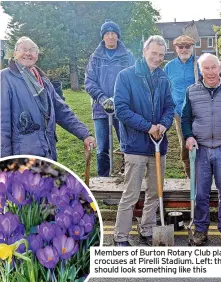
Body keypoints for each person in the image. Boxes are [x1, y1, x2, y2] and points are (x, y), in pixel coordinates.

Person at [113, 35, 175, 246]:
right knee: (131, 194)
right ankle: (120, 236)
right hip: (136, 145)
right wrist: (148, 126)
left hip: (158, 144)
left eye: (161, 54)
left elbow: (170, 106)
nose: (157, 58)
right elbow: (121, 110)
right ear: (144, 51)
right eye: (153, 53)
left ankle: (147, 230)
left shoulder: (163, 78)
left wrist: (164, 125)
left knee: (154, 192)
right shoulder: (126, 76)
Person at [181, 53, 221, 246]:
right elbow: (185, 118)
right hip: (200, 149)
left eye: (213, 67)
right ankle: (201, 229)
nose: (210, 72)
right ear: (201, 71)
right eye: (206, 68)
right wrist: (189, 136)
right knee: (201, 192)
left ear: (219, 68)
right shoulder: (192, 91)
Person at [1, 36, 95, 160]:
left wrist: (84, 134)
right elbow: (2, 126)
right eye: (23, 49)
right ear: (15, 53)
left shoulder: (42, 80)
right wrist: (5, 164)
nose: (28, 53)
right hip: (21, 158)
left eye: (32, 50)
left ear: (37, 55)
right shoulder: (5, 78)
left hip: (47, 152)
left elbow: (61, 110)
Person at [164, 35, 221, 178]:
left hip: (201, 111)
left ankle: (207, 175)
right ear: (175, 48)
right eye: (181, 47)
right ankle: (190, 177)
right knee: (185, 144)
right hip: (180, 113)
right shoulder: (169, 67)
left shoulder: (199, 64)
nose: (184, 49)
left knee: (203, 142)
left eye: (187, 47)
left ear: (192, 47)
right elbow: (165, 89)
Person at [85, 19, 135, 176]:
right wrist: (102, 98)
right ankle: (103, 179)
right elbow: (89, 81)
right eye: (108, 33)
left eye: (114, 33)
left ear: (118, 36)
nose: (111, 36)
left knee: (127, 145)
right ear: (103, 37)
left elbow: (133, 79)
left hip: (123, 108)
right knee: (102, 148)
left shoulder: (127, 56)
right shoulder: (95, 57)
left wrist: (116, 98)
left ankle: (126, 176)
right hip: (100, 110)